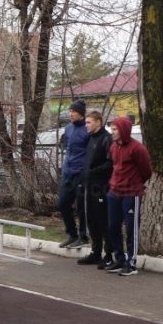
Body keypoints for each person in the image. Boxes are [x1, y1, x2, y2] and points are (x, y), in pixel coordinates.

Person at [104, 117, 152, 277]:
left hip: (131, 194)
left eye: (115, 129)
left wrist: (134, 184)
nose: (112, 132)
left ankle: (131, 263)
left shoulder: (137, 149)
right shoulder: (113, 147)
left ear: (123, 130)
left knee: (131, 229)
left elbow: (146, 171)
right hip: (114, 192)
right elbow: (114, 167)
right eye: (111, 129)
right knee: (112, 226)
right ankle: (119, 259)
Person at [77, 110, 113, 267]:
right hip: (88, 185)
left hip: (101, 186)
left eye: (89, 122)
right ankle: (95, 252)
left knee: (102, 220)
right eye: (86, 122)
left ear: (98, 122)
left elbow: (110, 163)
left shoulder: (106, 138)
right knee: (90, 219)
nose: (86, 125)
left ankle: (109, 254)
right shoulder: (91, 139)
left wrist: (93, 172)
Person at [58, 99, 90, 248]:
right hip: (67, 172)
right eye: (70, 111)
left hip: (81, 173)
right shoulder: (68, 129)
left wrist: (86, 170)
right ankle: (72, 234)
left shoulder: (87, 130)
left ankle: (83, 237)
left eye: (74, 111)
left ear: (81, 114)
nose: (71, 114)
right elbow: (67, 148)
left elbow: (92, 152)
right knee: (63, 203)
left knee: (81, 208)